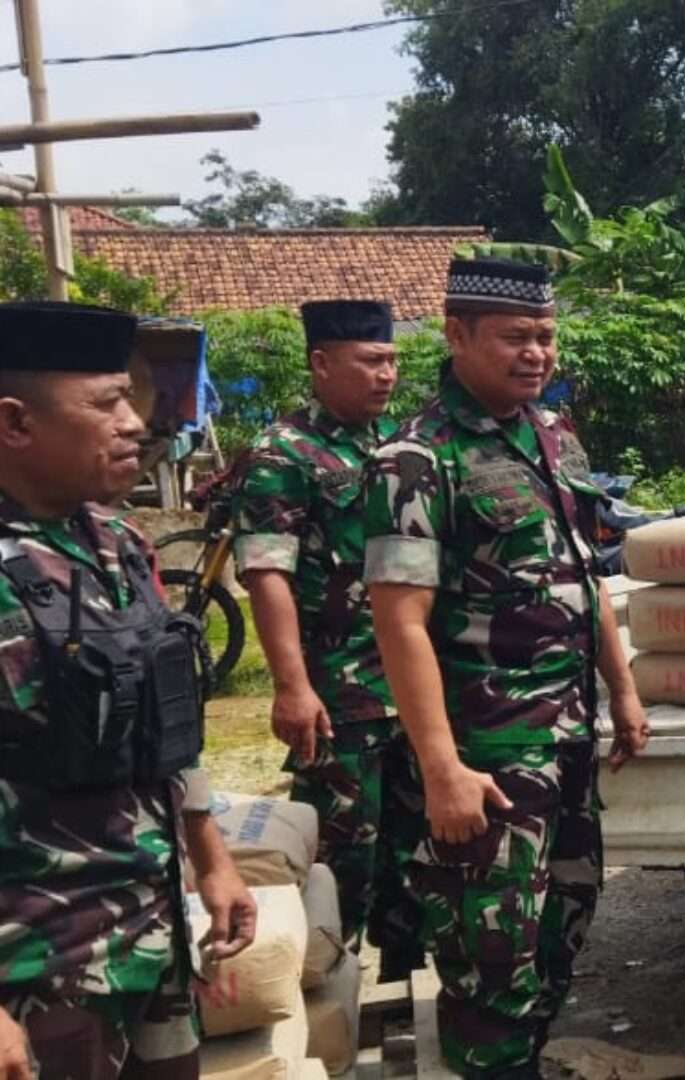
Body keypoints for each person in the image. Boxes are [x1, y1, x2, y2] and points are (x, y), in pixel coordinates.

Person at [364, 259, 650, 1078]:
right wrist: (442, 766)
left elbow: (585, 572)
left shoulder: (553, 437)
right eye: (516, 338)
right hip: (486, 756)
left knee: (564, 924)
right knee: (489, 956)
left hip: (563, 741)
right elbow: (400, 623)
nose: (537, 354)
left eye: (547, 338)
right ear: (456, 337)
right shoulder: (416, 460)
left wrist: (621, 691)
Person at [0, 300, 257, 1079]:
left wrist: (212, 859)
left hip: (149, 936)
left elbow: (162, 723)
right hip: (38, 964)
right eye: (105, 403)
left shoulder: (115, 540)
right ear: (14, 423)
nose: (134, 422)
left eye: (129, 397)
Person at [232, 299, 423, 981]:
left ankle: (400, 986)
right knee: (343, 850)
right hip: (339, 690)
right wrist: (291, 685)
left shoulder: (396, 442)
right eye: (371, 361)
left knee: (415, 848)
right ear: (321, 363)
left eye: (393, 360)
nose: (387, 375)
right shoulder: (281, 454)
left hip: (410, 686)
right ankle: (325, 993)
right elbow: (266, 573)